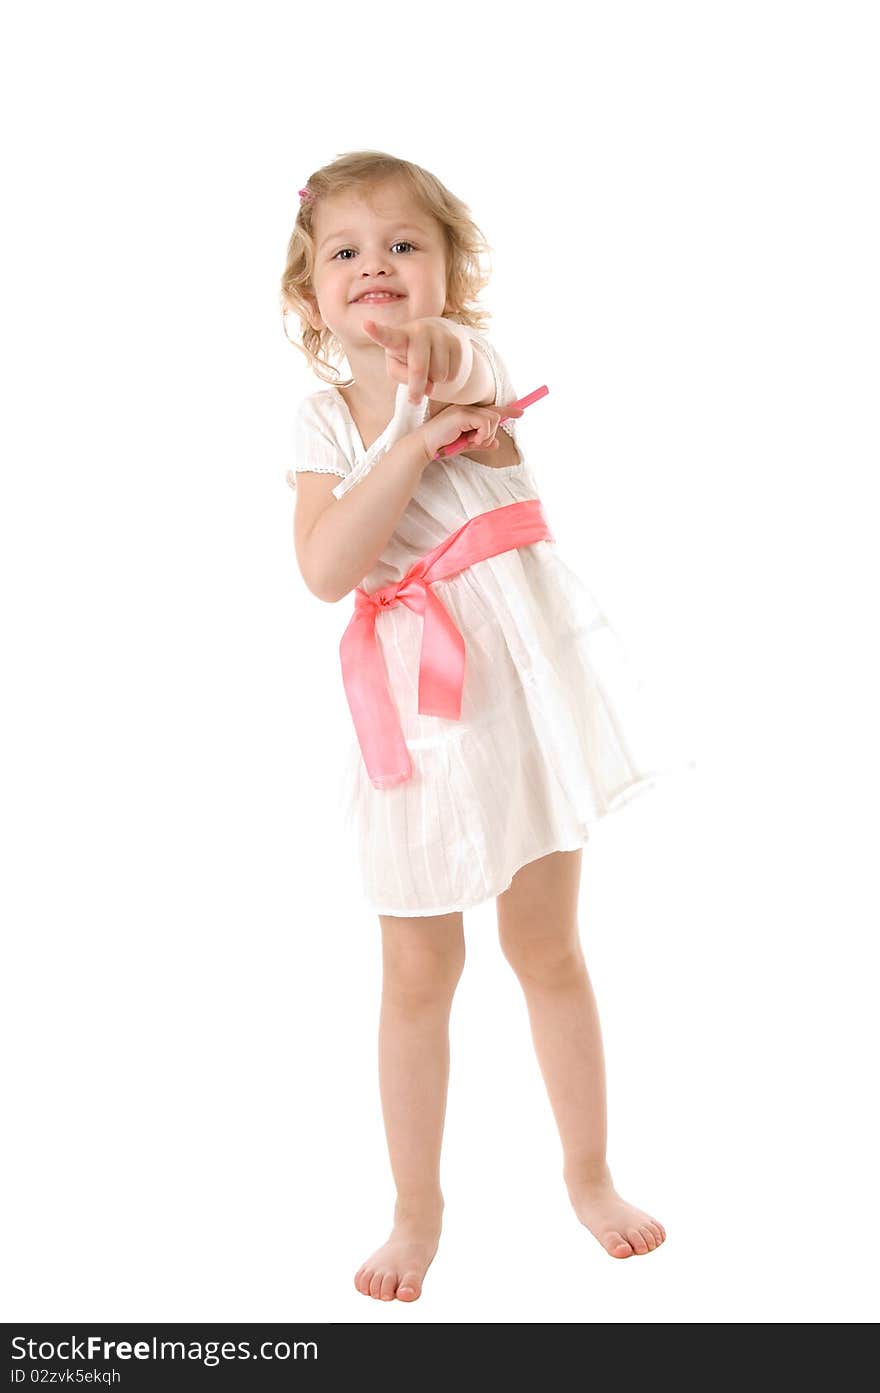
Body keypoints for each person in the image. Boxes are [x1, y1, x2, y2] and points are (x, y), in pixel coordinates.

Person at [281, 150, 689, 1302]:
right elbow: (326, 566)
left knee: (547, 945)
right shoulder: (322, 421)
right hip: (409, 712)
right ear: (307, 295)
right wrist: (401, 447)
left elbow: (462, 397)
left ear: (453, 275)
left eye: (405, 246)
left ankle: (589, 1172)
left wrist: (423, 395)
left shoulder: (466, 361)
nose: (376, 268)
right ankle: (416, 1207)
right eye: (345, 253)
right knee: (416, 967)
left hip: (515, 694)